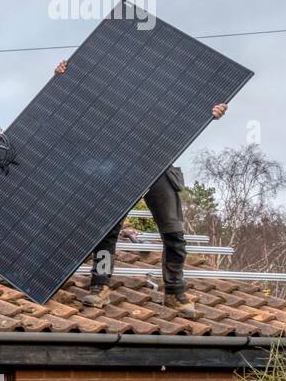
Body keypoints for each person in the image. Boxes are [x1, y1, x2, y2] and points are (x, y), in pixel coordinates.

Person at [54, 59, 226, 317]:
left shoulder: (167, 91)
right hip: (120, 163)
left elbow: (191, 108)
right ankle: (100, 286)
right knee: (107, 230)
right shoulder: (115, 87)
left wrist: (211, 112)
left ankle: (175, 293)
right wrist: (64, 79)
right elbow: (84, 101)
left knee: (174, 233)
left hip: (157, 164)